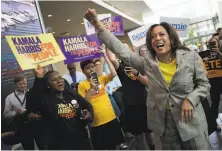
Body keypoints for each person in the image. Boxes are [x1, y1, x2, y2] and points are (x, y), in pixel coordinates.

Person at [84, 8, 211, 150]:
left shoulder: (190, 57)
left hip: (191, 121)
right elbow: (121, 50)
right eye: (153, 36)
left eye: (161, 34)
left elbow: (204, 84)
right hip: (165, 125)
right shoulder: (148, 64)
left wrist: (191, 99)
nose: (157, 38)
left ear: (170, 38)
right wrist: (97, 25)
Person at [31, 66, 93, 150]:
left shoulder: (71, 95)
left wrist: (89, 113)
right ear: (48, 85)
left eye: (60, 78)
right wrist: (39, 77)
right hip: (61, 144)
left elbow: (86, 105)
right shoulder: (46, 101)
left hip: (81, 139)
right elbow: (35, 98)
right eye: (54, 80)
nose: (59, 81)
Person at [78, 51, 125, 150]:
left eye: (92, 67)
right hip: (97, 123)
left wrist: (105, 56)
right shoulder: (82, 85)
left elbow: (113, 73)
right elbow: (83, 103)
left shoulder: (101, 79)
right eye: (87, 68)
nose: (91, 69)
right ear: (83, 71)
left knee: (115, 145)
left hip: (111, 118)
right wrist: (91, 90)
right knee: (103, 147)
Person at [3, 75, 34, 150]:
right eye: (20, 84)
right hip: (22, 127)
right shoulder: (9, 98)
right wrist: (16, 112)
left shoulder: (31, 94)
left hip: (34, 123)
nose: (23, 86)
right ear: (15, 84)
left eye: (25, 83)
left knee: (41, 144)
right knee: (28, 147)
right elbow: (6, 115)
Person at [203, 34, 222, 132]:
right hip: (213, 83)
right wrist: (204, 60)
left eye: (215, 43)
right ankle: (214, 123)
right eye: (211, 44)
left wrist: (218, 52)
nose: (213, 45)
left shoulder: (220, 53)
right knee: (214, 103)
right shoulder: (205, 54)